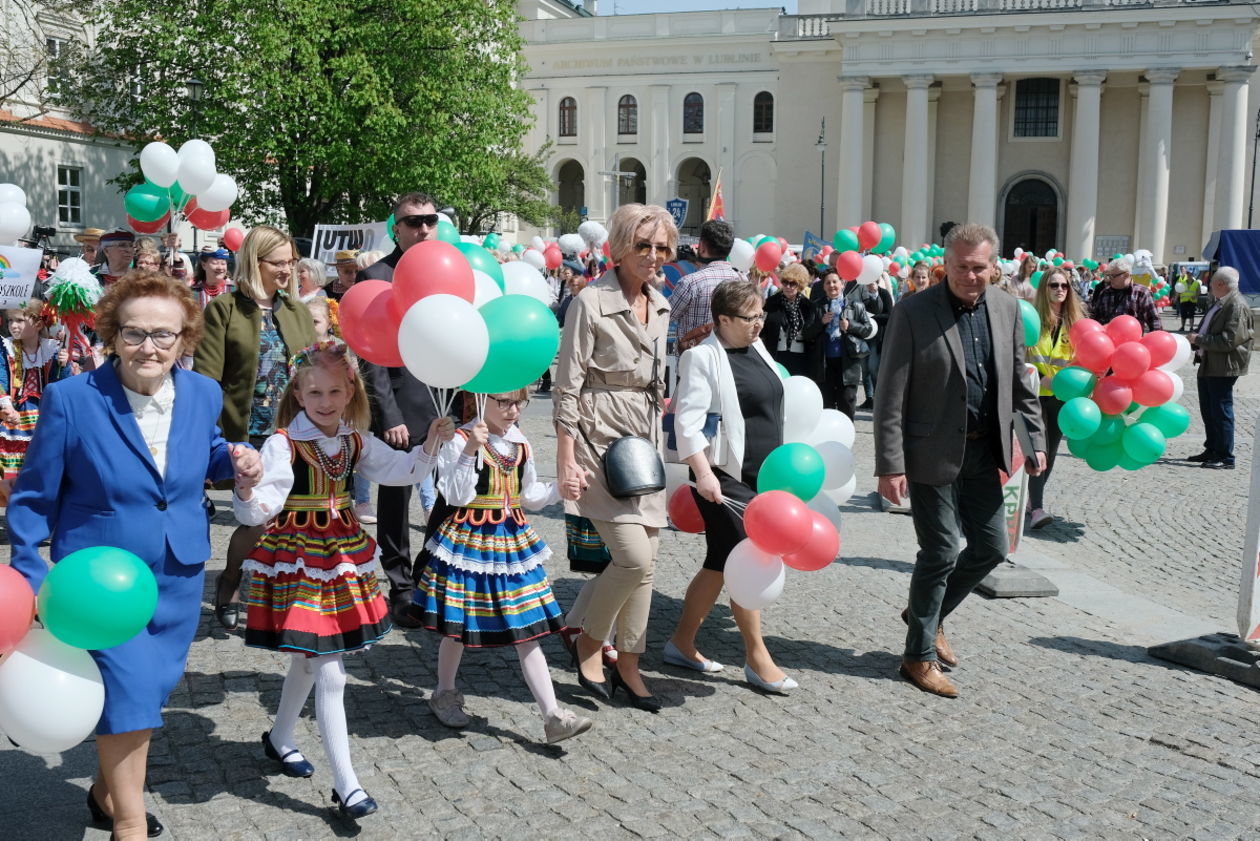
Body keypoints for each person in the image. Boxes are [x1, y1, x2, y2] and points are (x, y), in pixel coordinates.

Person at [7, 270, 261, 841]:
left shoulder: (202, 394)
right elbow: (32, 498)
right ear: (111, 335)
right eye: (134, 333)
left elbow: (209, 453)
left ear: (184, 338)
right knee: (132, 694)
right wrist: (31, 574)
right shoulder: (71, 400)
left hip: (178, 573)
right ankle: (128, 822)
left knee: (150, 690)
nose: (149, 347)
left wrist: (236, 461)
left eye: (163, 335)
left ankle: (103, 792)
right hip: (99, 582)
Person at [233, 340, 452, 820]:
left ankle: (279, 737)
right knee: (329, 667)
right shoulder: (282, 444)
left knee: (311, 661)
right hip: (298, 561)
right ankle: (347, 785)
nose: (326, 402)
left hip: (341, 556)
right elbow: (259, 507)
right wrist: (247, 487)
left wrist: (432, 441)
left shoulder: (355, 439)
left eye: (335, 391)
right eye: (315, 394)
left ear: (350, 389)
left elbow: (403, 471)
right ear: (298, 391)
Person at [874, 223, 1047, 699]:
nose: (971, 276)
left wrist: (1033, 442)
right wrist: (890, 465)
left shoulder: (1008, 308)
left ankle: (925, 616)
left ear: (994, 267)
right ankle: (917, 656)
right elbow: (891, 392)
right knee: (942, 551)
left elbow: (1018, 382)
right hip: (928, 452)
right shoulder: (913, 312)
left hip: (982, 450)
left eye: (979, 268)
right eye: (961, 268)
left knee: (992, 547)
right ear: (944, 266)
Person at [416, 389, 593, 744]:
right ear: (483, 401)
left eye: (519, 403)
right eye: (504, 402)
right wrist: (469, 450)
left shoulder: (520, 442)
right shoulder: (460, 437)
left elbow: (529, 497)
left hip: (511, 543)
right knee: (459, 625)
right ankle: (444, 692)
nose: (513, 411)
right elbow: (453, 495)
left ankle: (552, 715)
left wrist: (562, 489)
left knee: (526, 626)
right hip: (469, 543)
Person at [554, 202, 675, 711]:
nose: (653, 256)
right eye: (643, 246)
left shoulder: (661, 304)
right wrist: (566, 459)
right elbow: (566, 385)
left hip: (643, 444)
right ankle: (586, 639)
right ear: (620, 248)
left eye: (662, 247)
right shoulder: (591, 302)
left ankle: (629, 664)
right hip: (596, 439)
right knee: (631, 557)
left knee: (647, 565)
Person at [666, 279, 801, 693]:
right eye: (749, 318)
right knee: (748, 555)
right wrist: (704, 474)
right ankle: (757, 657)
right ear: (722, 319)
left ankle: (680, 643)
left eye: (761, 315)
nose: (759, 324)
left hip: (762, 474)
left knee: (720, 560)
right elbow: (686, 422)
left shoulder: (755, 345)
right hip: (722, 477)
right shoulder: (703, 358)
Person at [195, 225, 317, 629]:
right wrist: (210, 440)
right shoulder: (224, 309)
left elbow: (311, 370)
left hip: (294, 430)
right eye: (279, 263)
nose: (288, 270)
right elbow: (207, 380)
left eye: (291, 262)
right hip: (247, 432)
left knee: (294, 518)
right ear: (255, 262)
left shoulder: (297, 311)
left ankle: (280, 594)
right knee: (257, 519)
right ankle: (231, 578)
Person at [357, 193, 443, 627]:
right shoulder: (376, 276)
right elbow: (370, 357)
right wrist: (387, 416)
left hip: (446, 406)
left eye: (430, 220)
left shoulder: (450, 270)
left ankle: (431, 575)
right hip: (400, 409)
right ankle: (401, 586)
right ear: (396, 227)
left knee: (451, 498)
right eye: (413, 222)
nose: (422, 228)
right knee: (395, 503)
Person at [1026, 266, 1087, 529]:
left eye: (1064, 286)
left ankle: (1033, 501)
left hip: (1061, 400)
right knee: (1034, 451)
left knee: (1049, 453)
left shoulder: (1076, 324)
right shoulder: (1031, 319)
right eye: (1054, 285)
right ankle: (1037, 507)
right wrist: (1041, 379)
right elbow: (1017, 357)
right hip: (1032, 396)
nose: (1060, 290)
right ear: (1044, 289)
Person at [1187, 267, 1254, 470]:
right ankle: (1212, 448)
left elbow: (1228, 341)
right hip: (1209, 363)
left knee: (1221, 410)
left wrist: (1199, 339)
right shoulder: (1220, 303)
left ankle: (1225, 456)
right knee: (1209, 410)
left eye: (1212, 282)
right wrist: (1195, 341)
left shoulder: (1236, 305)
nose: (1209, 285)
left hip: (1224, 366)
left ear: (1220, 284)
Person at [0, 298, 73, 480]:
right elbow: (1, 377)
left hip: (45, 413)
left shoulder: (52, 348)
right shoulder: (6, 347)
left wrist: (63, 365)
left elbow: (63, 385)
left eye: (20, 320)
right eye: (10, 321)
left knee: (45, 460)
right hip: (16, 412)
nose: (13, 326)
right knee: (13, 460)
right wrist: (6, 404)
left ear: (39, 324)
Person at [668, 219, 741, 352]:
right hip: (731, 361)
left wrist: (657, 282)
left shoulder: (690, 283)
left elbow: (665, 316)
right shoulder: (742, 280)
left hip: (694, 363)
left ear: (701, 247)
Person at [813, 270, 875, 419]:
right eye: (828, 283)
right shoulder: (817, 306)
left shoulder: (856, 306)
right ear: (823, 286)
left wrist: (850, 325)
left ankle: (845, 437)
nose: (832, 285)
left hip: (847, 365)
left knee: (846, 404)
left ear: (842, 284)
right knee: (826, 406)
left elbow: (868, 329)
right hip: (825, 365)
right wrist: (821, 322)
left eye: (835, 282)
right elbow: (808, 333)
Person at [761, 263, 822, 377]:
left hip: (800, 358)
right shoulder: (770, 302)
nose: (788, 286)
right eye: (785, 282)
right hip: (776, 354)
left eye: (792, 283)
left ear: (800, 285)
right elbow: (763, 330)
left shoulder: (808, 306)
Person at [854, 273, 893, 410]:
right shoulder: (860, 294)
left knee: (873, 366)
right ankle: (869, 398)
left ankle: (879, 397)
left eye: (873, 282)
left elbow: (890, 315)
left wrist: (873, 318)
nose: (870, 285)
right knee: (864, 369)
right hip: (863, 337)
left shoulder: (883, 294)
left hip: (878, 338)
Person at [1089, 258, 1161, 332]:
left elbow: (1155, 323)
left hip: (1132, 342)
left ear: (1126, 275)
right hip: (1107, 341)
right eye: (1108, 276)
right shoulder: (1105, 293)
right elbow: (1095, 319)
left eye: (1113, 276)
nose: (1109, 279)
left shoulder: (1142, 293)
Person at [1176, 267, 1199, 332]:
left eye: (1190, 273)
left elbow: (1198, 291)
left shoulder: (1196, 283)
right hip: (1184, 301)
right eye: (1188, 273)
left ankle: (1191, 328)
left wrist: (1196, 296)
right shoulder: (1183, 283)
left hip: (1192, 301)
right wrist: (1175, 298)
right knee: (1183, 315)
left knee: (1191, 315)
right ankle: (1182, 327)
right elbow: (1178, 291)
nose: (1189, 274)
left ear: (1193, 274)